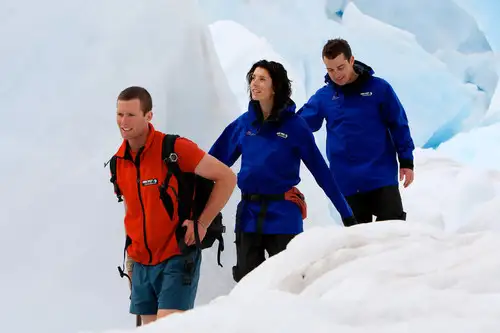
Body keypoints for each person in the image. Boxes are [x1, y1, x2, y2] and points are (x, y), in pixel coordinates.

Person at [208, 60, 356, 283]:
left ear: (275, 86)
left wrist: (347, 214)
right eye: (252, 78)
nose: (254, 84)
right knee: (247, 285)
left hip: (283, 215)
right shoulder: (244, 124)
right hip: (248, 215)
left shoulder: (295, 127)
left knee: (286, 284)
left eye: (261, 79)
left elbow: (321, 172)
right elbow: (213, 163)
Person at [110, 86, 237, 325]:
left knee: (169, 329)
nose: (123, 122)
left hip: (177, 255)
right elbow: (132, 211)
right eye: (119, 114)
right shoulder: (118, 162)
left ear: (148, 116)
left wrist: (202, 223)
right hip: (140, 264)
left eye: (131, 115)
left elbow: (227, 178)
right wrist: (131, 260)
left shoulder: (174, 149)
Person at [297, 38, 415, 225]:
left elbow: (398, 124)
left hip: (381, 176)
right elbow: (299, 125)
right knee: (358, 245)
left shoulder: (379, 89)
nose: (336, 74)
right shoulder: (324, 96)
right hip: (347, 182)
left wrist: (407, 161)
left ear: (351, 60)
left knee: (393, 237)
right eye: (330, 70)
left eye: (340, 67)